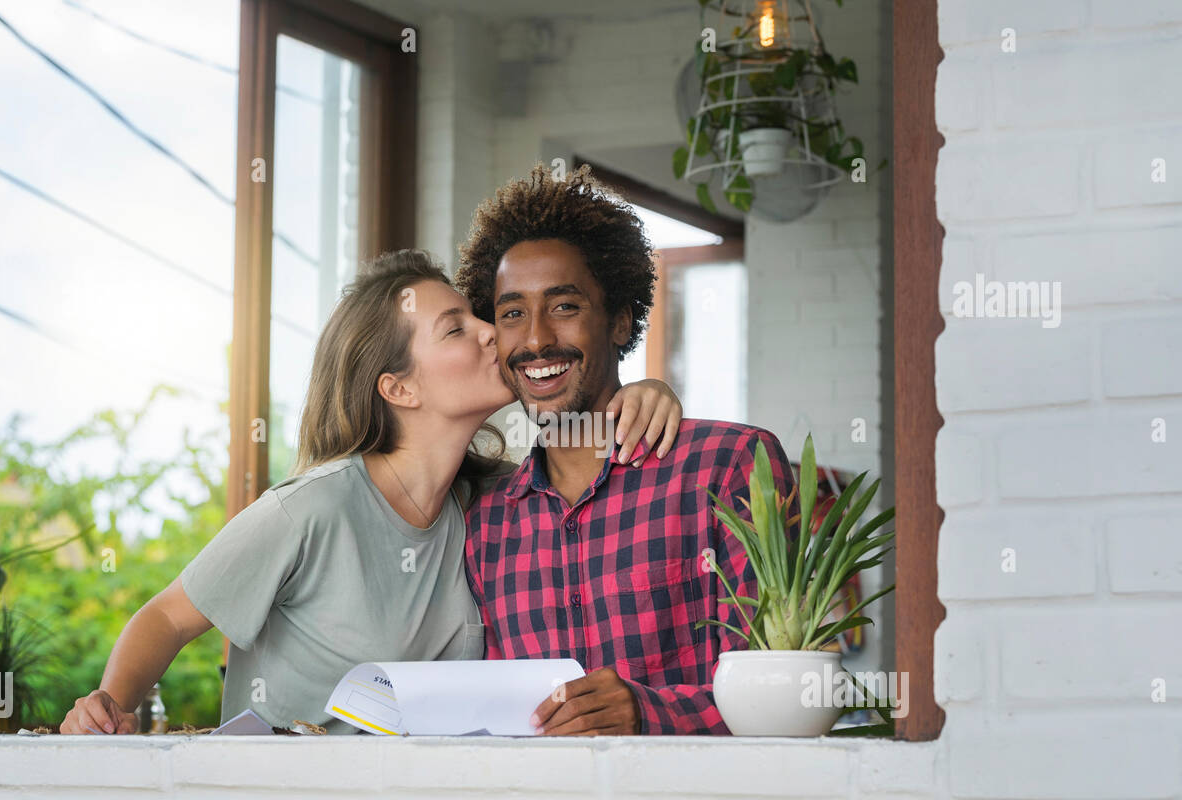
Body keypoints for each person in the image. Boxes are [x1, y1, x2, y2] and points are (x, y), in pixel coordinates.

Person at [60, 249, 683, 734]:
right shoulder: (313, 509)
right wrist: (109, 705)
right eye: (455, 329)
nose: (492, 330)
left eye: (477, 315)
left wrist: (646, 392)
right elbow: (168, 614)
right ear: (400, 389)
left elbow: (585, 460)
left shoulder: (495, 503)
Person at [456, 164, 796, 736]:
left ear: (619, 321)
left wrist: (649, 713)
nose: (536, 338)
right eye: (513, 313)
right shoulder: (487, 526)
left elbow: (787, 687)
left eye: (564, 307)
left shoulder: (730, 467)